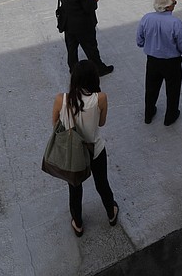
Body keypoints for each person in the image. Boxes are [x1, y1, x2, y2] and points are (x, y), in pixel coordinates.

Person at [51, 60, 119, 237]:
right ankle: (111, 214)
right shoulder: (101, 98)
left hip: (73, 154)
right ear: (94, 79)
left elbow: (55, 125)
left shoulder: (61, 99)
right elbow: (102, 123)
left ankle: (78, 223)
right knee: (102, 184)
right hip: (95, 150)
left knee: (74, 188)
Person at [136, 0, 182, 126]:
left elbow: (139, 40)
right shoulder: (176, 23)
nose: (175, 4)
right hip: (171, 62)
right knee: (173, 89)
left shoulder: (146, 18)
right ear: (168, 7)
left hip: (152, 60)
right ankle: (170, 116)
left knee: (151, 88)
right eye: (174, 3)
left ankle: (148, 114)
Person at [54, 0, 114, 75]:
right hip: (83, 25)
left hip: (68, 23)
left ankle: (73, 70)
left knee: (71, 49)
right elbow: (90, 7)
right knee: (91, 48)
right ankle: (99, 69)